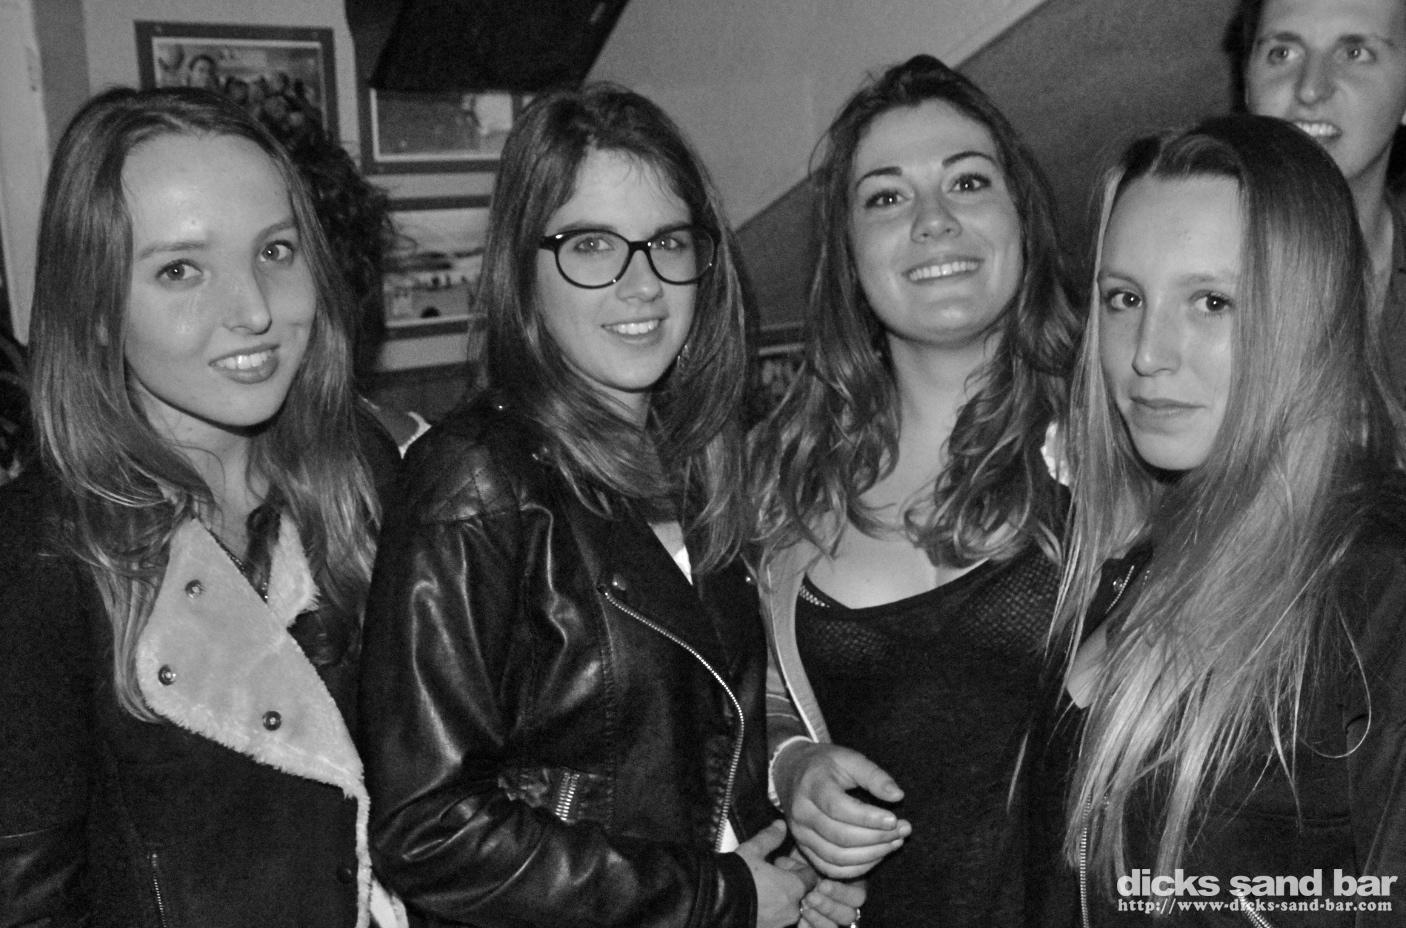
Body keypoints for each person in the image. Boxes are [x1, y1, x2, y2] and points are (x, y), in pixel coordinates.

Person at [357, 84, 863, 928]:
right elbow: (429, 831)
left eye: (667, 242)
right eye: (591, 246)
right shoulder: (474, 478)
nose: (642, 284)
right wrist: (722, 896)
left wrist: (783, 857)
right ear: (524, 268)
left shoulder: (699, 462)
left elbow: (694, 753)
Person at [0, 87, 389, 927]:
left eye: (276, 251)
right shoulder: (38, 555)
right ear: (95, 310)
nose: (254, 310)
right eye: (181, 270)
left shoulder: (360, 478)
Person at [750, 54, 1080, 926]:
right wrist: (795, 772)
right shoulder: (787, 474)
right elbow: (756, 703)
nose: (934, 221)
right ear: (849, 253)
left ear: (1021, 216)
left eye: (968, 182)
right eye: (887, 197)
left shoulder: (1120, 441)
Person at [1060, 114, 1406, 924]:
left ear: (1309, 314)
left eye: (1212, 301)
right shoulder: (1136, 548)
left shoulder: (1378, 582)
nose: (1148, 353)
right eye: (1124, 299)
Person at [1238, 0, 1406, 393]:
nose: (1310, 89)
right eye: (1282, 53)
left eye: (1355, 53)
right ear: (1246, 82)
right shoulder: (1169, 265)